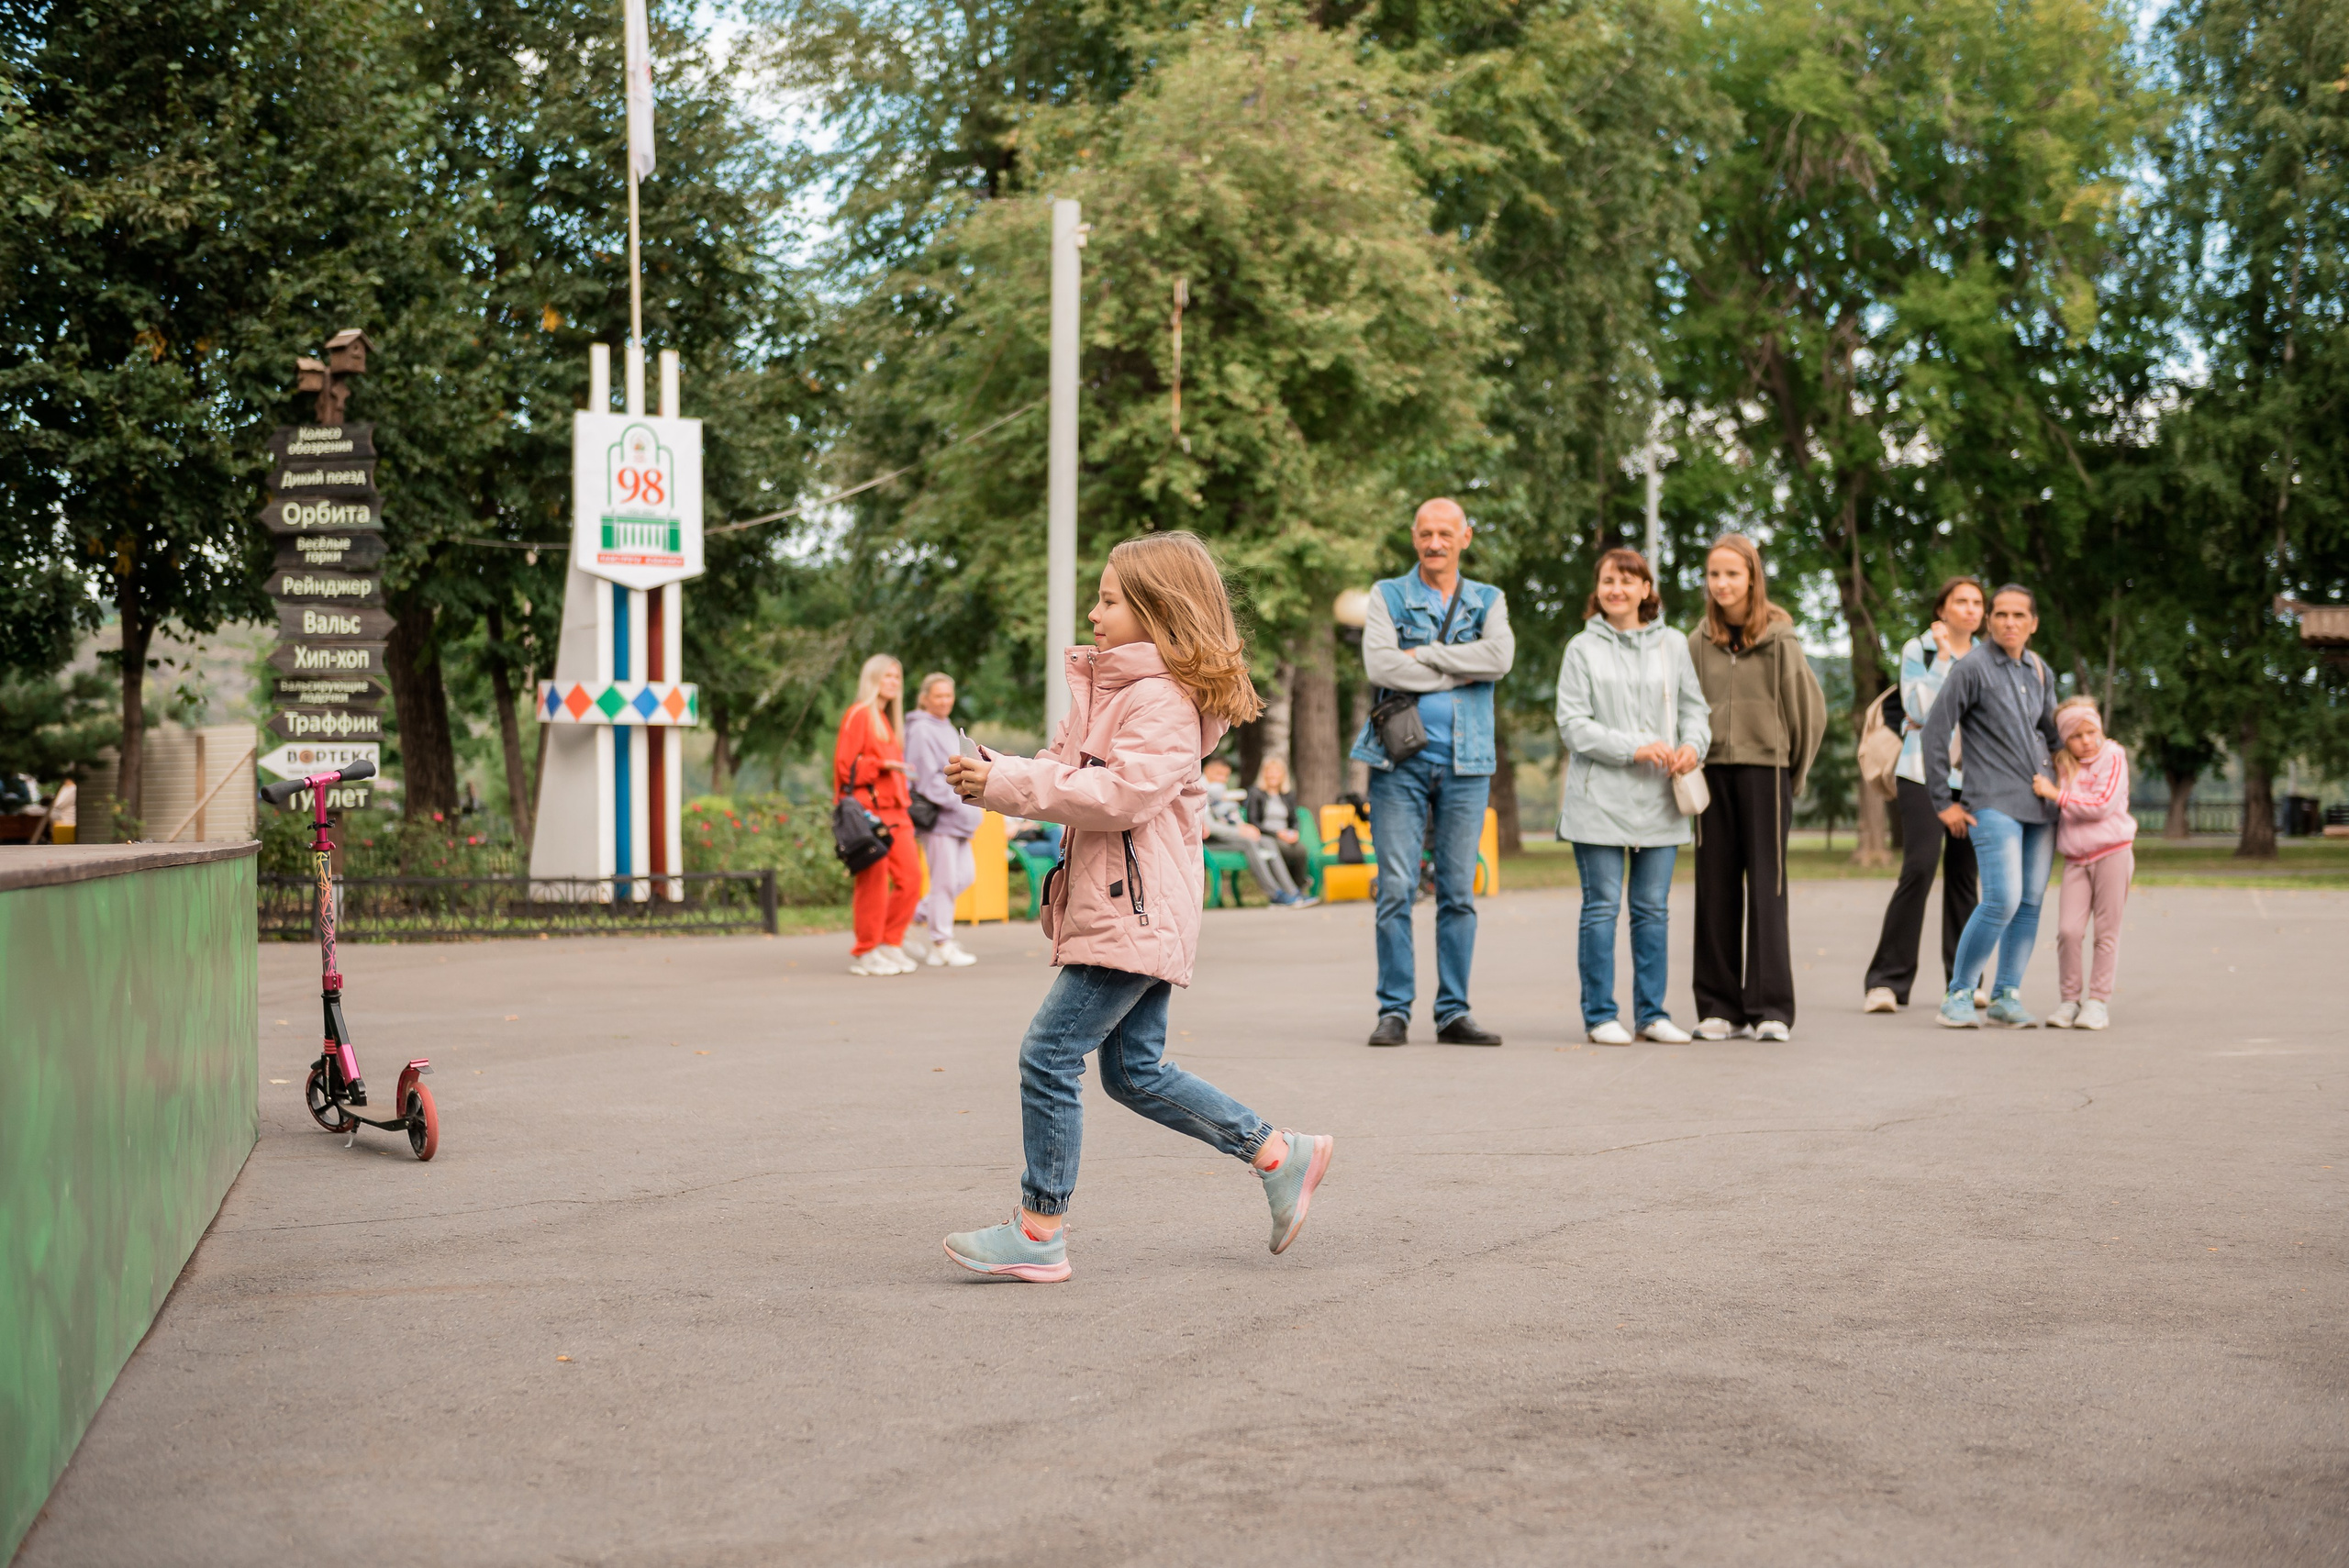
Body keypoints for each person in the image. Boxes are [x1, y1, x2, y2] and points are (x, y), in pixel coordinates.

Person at [940, 532, 1333, 1282]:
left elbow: (1124, 796)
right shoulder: (1114, 689)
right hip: (1129, 904)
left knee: (1049, 1053)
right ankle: (1279, 1152)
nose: (1093, 612)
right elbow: (1062, 771)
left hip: (1133, 911)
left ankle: (1039, 1228)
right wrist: (994, 770)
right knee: (1134, 1071)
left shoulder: (1161, 699)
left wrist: (1005, 786)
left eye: (1110, 600)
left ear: (1158, 609)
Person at [1351, 497, 1517, 1048]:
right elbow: (1381, 664)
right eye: (1426, 533)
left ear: (1465, 536)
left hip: (1468, 764)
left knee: (1457, 891)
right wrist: (1457, 668)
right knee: (1396, 887)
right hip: (1398, 763)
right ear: (1415, 537)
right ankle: (1394, 1010)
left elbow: (1499, 660)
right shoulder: (1388, 595)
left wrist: (1426, 657)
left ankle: (1453, 1013)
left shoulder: (1488, 599)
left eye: (1446, 533)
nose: (1435, 543)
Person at [1553, 548, 1711, 1045]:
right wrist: (1634, 748)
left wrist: (1692, 745)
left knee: (1652, 910)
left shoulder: (1672, 646)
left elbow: (1695, 710)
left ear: (1646, 589)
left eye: (1627, 580)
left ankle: (1653, 1014)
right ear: (1597, 590)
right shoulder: (1582, 648)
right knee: (1601, 907)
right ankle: (1601, 1015)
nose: (1616, 589)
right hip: (1598, 800)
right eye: (1607, 581)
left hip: (1662, 801)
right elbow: (1573, 726)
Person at [1686, 533, 1827, 1041]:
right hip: (1710, 774)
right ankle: (1718, 1008)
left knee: (1768, 888)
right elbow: (1684, 707)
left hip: (1766, 775)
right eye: (1713, 574)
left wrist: (1792, 773)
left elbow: (1808, 712)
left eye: (1732, 574)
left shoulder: (1781, 639)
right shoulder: (1697, 641)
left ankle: (1770, 1008)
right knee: (1715, 888)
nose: (1721, 584)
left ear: (1752, 578)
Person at [1918, 584, 2061, 1029]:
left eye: (2020, 615)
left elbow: (2053, 737)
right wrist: (1943, 801)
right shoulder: (1971, 668)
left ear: (2033, 623)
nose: (2010, 622)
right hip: (1992, 802)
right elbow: (1933, 732)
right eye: (2000, 614)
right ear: (1990, 620)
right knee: (2003, 898)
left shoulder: (2039, 670)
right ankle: (1959, 992)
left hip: (2041, 807)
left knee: (2031, 902)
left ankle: (2006, 994)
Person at [1863, 578, 1987, 1012]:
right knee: (1918, 868)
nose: (1970, 609)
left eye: (1977, 603)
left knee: (1963, 879)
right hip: (1919, 772)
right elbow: (1918, 712)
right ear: (1943, 608)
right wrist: (1946, 662)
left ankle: (1966, 982)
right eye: (1961, 601)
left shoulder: (1988, 657)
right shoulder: (1920, 649)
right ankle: (1886, 982)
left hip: (1973, 779)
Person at [2035, 698, 2135, 1030]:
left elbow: (2103, 805)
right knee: (2068, 930)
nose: (2087, 741)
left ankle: (2097, 1002)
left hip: (2113, 853)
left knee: (2106, 932)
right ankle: (2068, 1000)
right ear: (2065, 738)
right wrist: (2054, 790)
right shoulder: (2062, 766)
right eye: (2077, 736)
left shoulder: (2114, 756)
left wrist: (2057, 795)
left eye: (2092, 732)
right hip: (2077, 860)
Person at [834, 654, 923, 977]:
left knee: (911, 879)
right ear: (873, 679)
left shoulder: (887, 720)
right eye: (887, 676)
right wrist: (882, 766)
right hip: (870, 813)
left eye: (897, 677)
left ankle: (889, 942)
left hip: (896, 810)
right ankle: (866, 949)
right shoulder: (859, 715)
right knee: (872, 882)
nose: (894, 683)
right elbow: (846, 769)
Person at [904, 672, 983, 967]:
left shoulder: (946, 726)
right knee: (944, 883)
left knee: (964, 878)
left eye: (948, 695)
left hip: (960, 818)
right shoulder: (922, 730)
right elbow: (924, 778)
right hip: (940, 818)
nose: (944, 701)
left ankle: (910, 917)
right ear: (925, 698)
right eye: (938, 696)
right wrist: (960, 803)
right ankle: (941, 943)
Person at [1201, 756, 1314, 907]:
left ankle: (1292, 892)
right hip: (1209, 841)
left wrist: (1244, 827)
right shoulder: (1201, 789)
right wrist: (1240, 830)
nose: (1223, 780)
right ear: (1207, 770)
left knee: (1267, 841)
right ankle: (1275, 895)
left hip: (1226, 836)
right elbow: (1211, 827)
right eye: (1219, 775)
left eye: (1226, 776)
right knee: (1249, 842)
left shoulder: (1218, 789)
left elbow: (1227, 816)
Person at [1243, 756, 1312, 893]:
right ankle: (1288, 889)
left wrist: (1294, 832)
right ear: (1263, 774)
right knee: (1283, 849)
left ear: (1283, 775)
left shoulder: (1288, 795)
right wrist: (1277, 834)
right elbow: (1253, 821)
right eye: (1269, 771)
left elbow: (1294, 819)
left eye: (1276, 771)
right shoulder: (1256, 793)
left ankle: (1298, 886)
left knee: (1301, 850)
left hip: (1286, 834)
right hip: (1266, 835)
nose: (1273, 775)